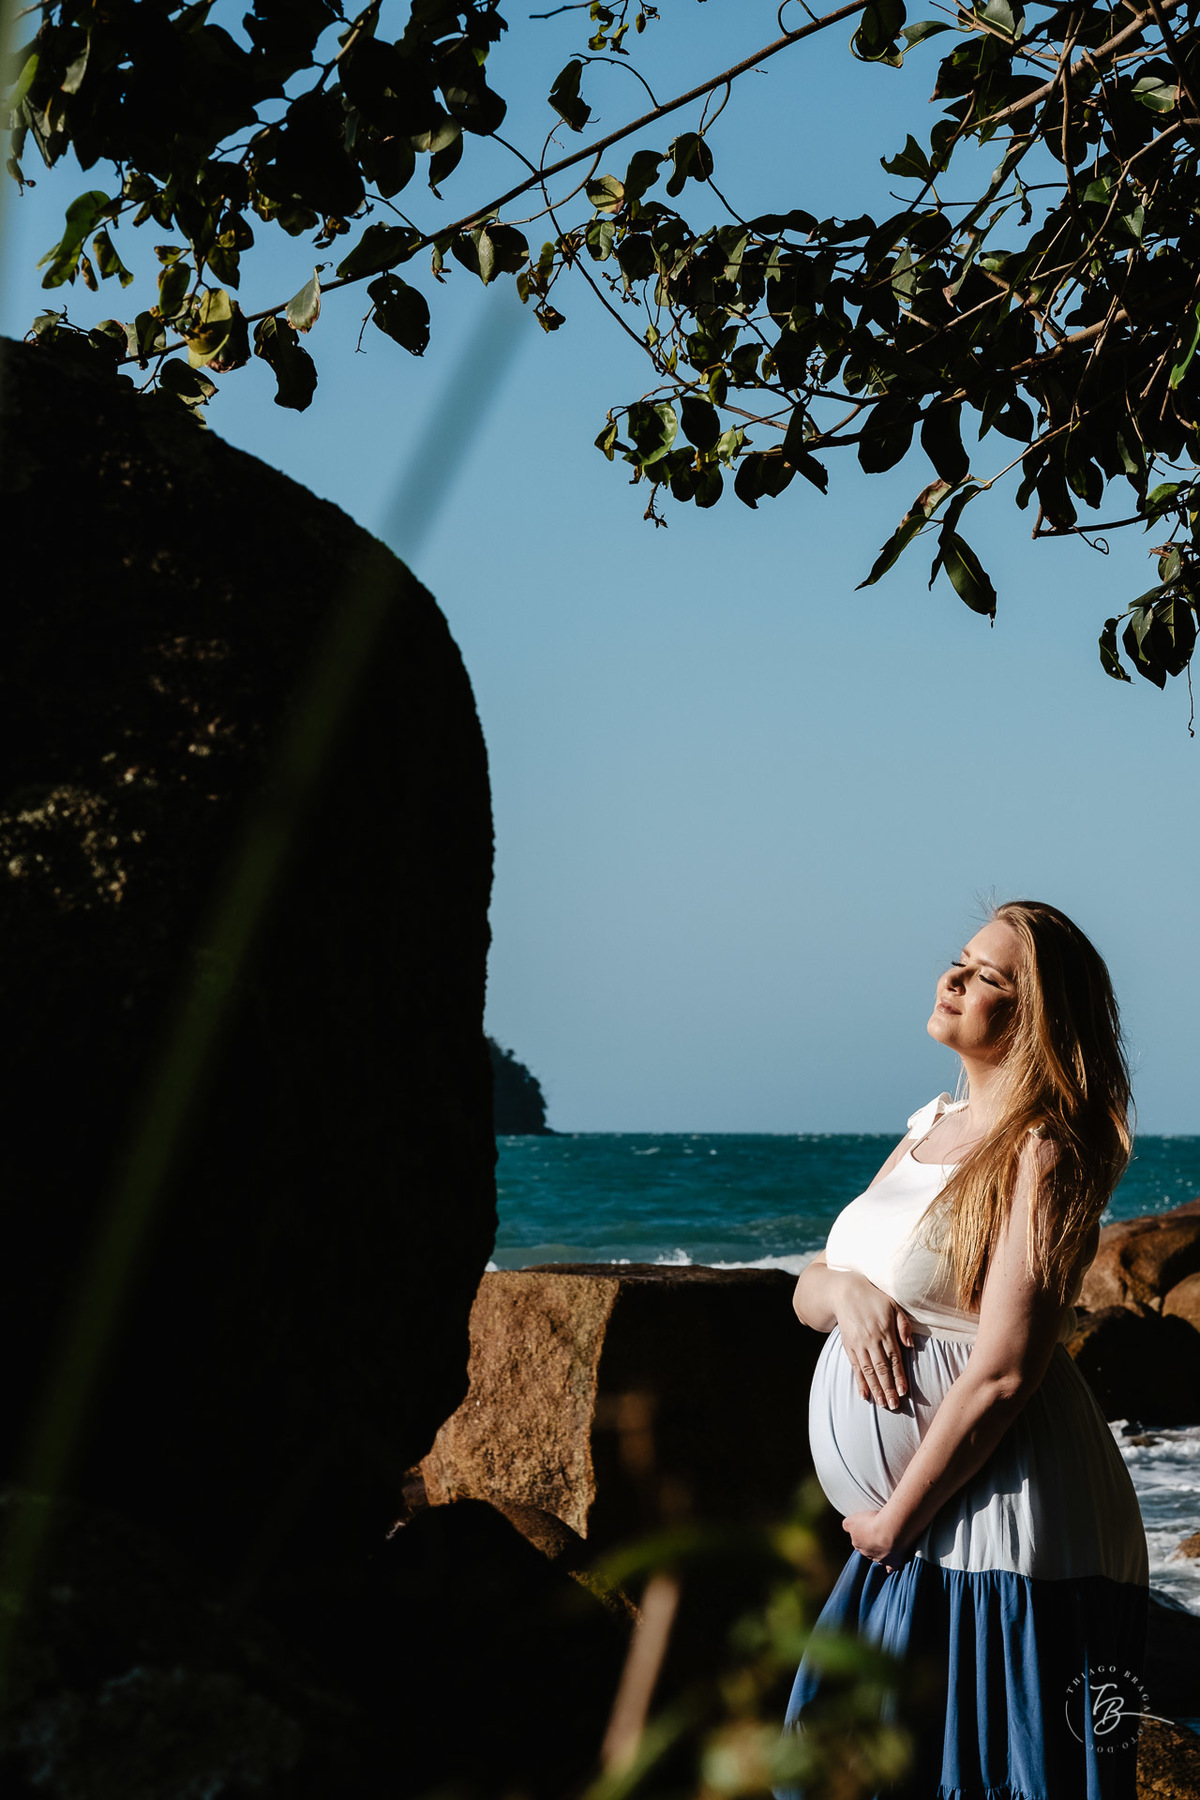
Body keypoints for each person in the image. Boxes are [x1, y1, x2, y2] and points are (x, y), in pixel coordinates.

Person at [778, 899, 1150, 1799]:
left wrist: (892, 1524)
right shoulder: (926, 1129)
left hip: (1001, 1528)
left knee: (986, 1776)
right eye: (961, 960)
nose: (955, 978)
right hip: (911, 1528)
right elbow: (809, 1289)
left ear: (1038, 1020)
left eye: (990, 977)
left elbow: (1008, 1369)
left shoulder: (1043, 1152)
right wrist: (853, 1297)